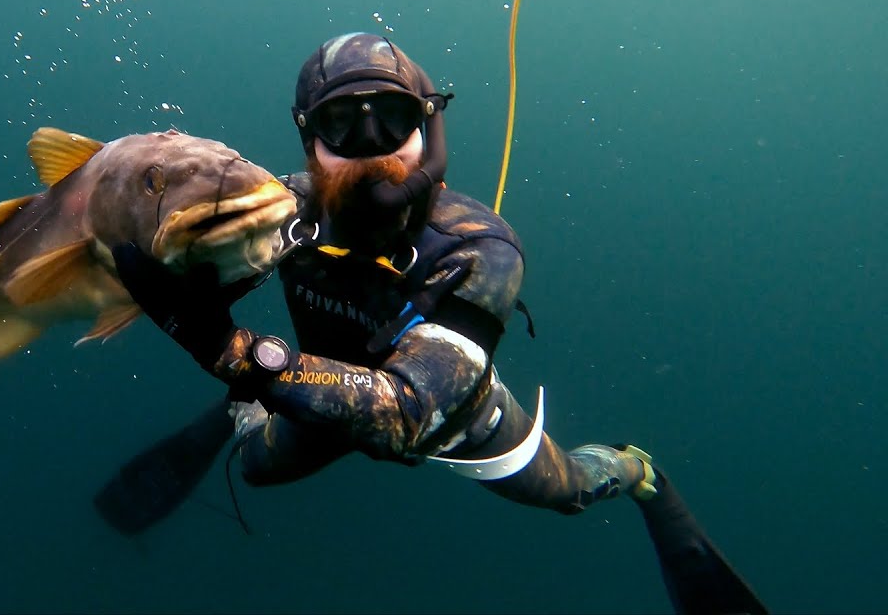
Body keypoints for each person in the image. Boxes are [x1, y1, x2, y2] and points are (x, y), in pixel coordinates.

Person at [100, 33, 766, 614]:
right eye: (341, 125)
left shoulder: (479, 249)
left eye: (392, 121)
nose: (371, 150)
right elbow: (205, 260)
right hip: (318, 388)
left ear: (429, 129)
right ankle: (251, 405)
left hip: (455, 415)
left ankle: (633, 469)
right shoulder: (281, 209)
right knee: (254, 468)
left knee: (566, 490)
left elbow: (408, 414)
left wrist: (234, 353)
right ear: (310, 141)